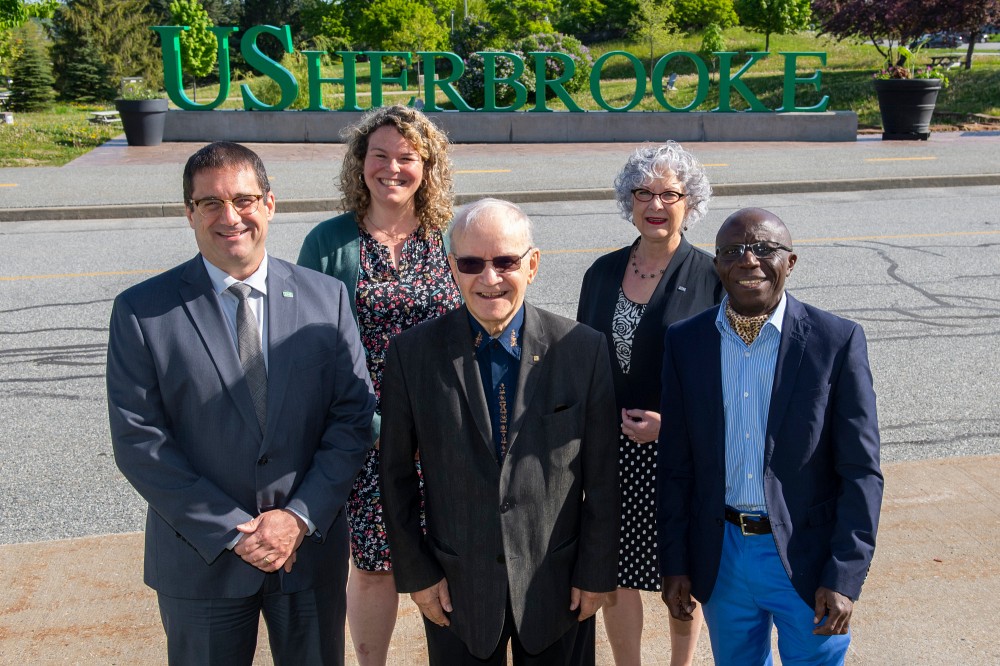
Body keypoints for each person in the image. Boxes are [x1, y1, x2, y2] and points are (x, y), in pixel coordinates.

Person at [106, 141, 376, 665]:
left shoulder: (326, 297)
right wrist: (233, 531)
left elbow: (353, 417)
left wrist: (297, 518)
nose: (230, 217)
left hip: (307, 555)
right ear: (189, 213)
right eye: (210, 203)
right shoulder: (143, 311)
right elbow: (140, 441)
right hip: (200, 561)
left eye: (245, 200)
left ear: (270, 205)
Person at [379, 198, 621, 665]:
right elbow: (394, 476)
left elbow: (603, 477)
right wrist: (418, 575)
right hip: (457, 591)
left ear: (532, 264)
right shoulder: (412, 355)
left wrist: (595, 572)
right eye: (471, 263)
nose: (489, 279)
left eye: (505, 261)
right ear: (452, 268)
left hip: (558, 587)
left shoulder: (582, 350)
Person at [657, 207, 883, 664]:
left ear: (791, 262)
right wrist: (676, 562)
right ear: (717, 264)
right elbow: (676, 467)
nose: (749, 260)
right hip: (722, 558)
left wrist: (844, 574)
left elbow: (861, 472)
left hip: (806, 559)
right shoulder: (686, 342)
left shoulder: (835, 342)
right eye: (733, 251)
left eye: (764, 248)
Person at [297, 104, 462, 666]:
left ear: (428, 166)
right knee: (375, 567)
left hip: (449, 434)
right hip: (367, 436)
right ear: (360, 163)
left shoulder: (450, 236)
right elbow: (315, 348)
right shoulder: (328, 242)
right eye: (380, 156)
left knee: (456, 556)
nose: (392, 168)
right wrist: (379, 427)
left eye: (407, 158)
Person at [576, 141, 719, 666]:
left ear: (690, 201)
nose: (655, 204)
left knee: (680, 574)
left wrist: (671, 425)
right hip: (611, 452)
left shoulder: (712, 276)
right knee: (617, 574)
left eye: (669, 193)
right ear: (628, 200)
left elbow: (724, 376)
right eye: (644, 192)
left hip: (680, 454)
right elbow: (584, 363)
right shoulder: (602, 272)